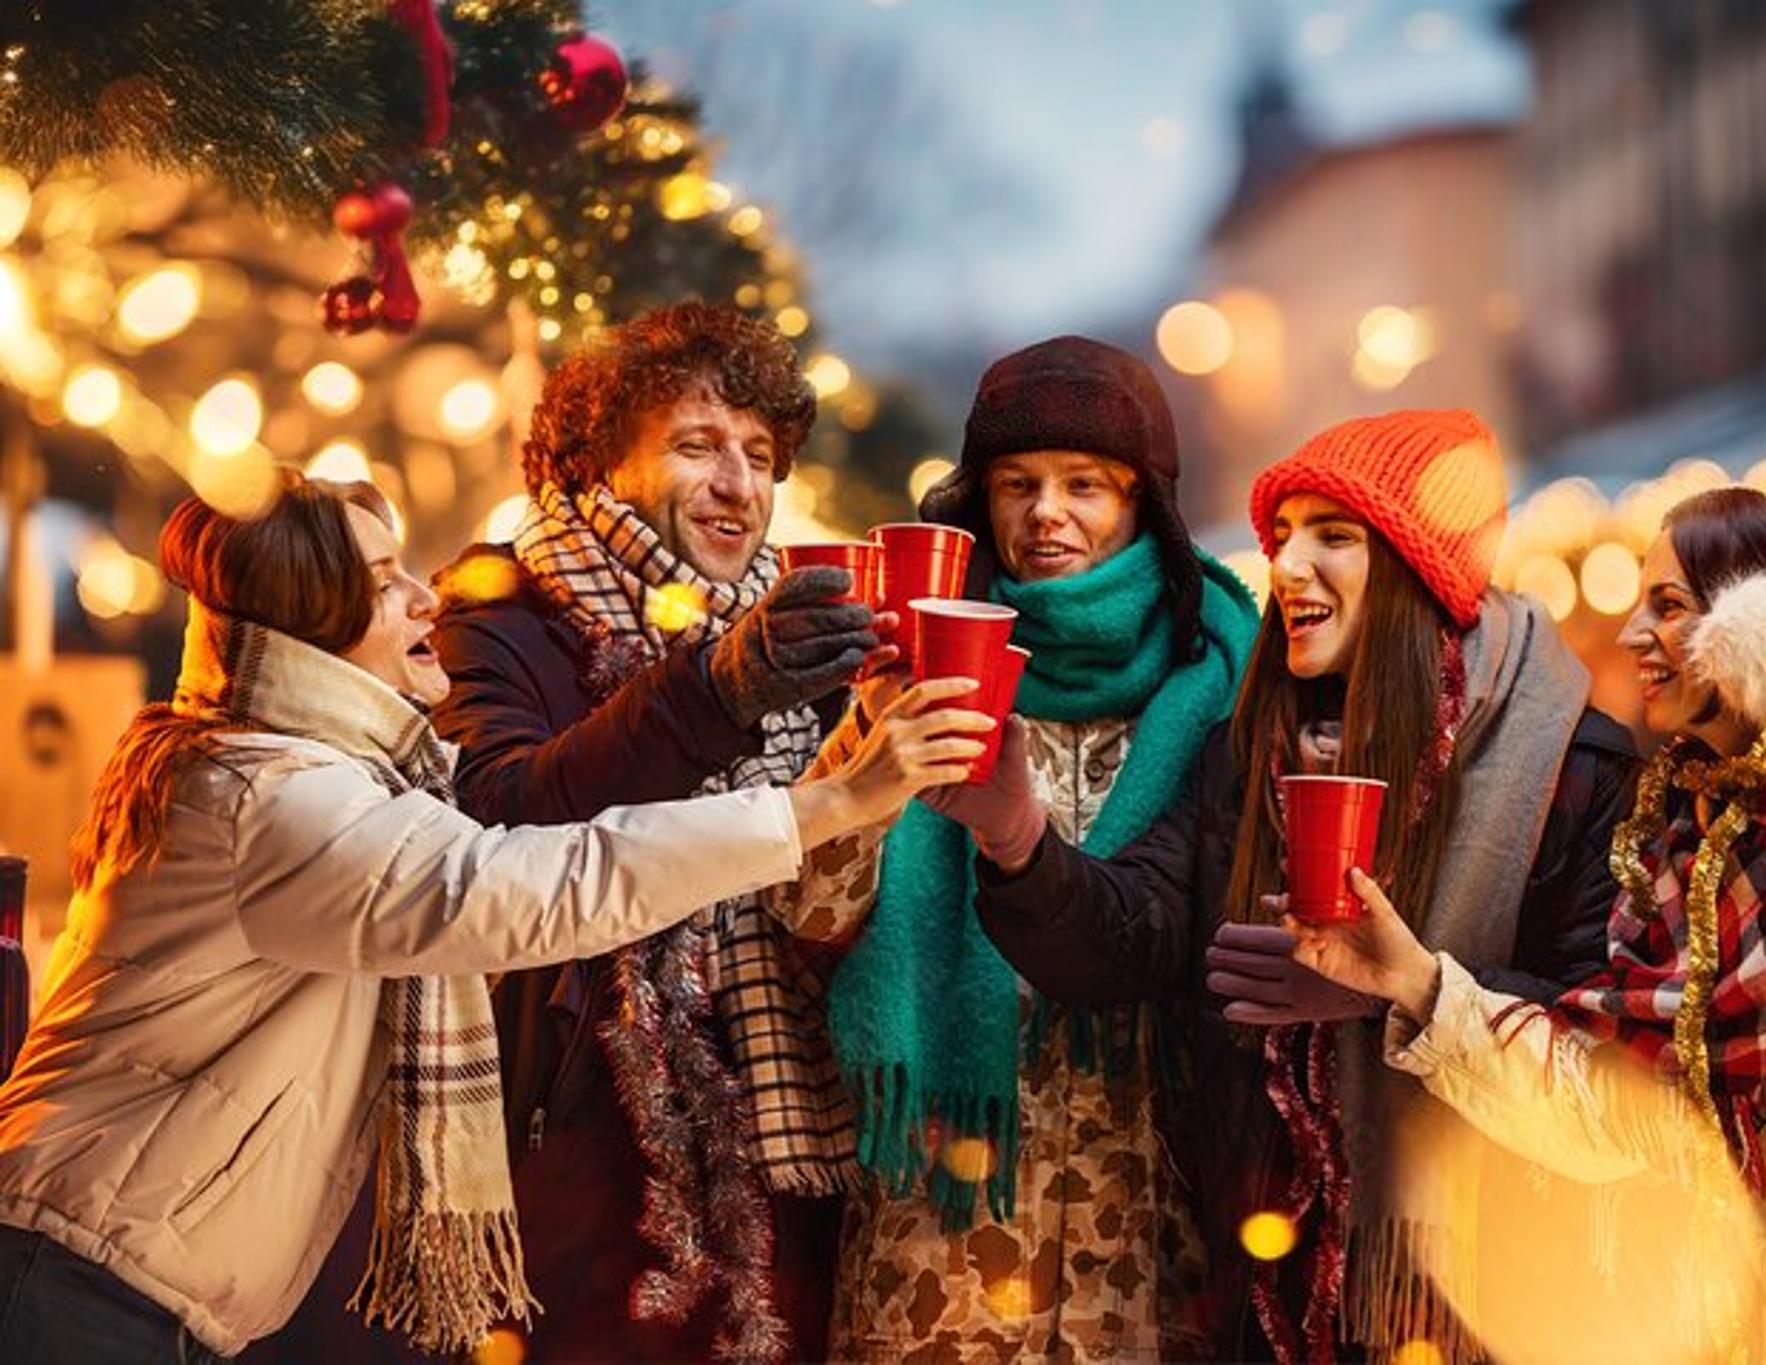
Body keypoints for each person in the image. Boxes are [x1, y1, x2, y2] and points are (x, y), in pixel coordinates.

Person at [0, 475, 985, 1364]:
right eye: (385, 584)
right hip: (79, 1295)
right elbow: (519, 885)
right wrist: (826, 807)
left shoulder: (302, 769)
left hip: (117, 1290)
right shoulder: (271, 797)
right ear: (313, 627)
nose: (425, 596)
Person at [1290, 488, 1766, 1364]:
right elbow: (1620, 1109)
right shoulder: (1684, 850)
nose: (1630, 634)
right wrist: (1417, 982)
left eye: (1670, 605)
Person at [952, 409, 1642, 1360]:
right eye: (1281, 537)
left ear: (1414, 568)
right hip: (1266, 1271)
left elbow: (1610, 1056)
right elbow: (1138, 935)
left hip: (1479, 1292)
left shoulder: (1572, 767)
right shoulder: (1250, 749)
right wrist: (1018, 842)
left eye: (1335, 537)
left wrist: (1398, 996)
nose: (1286, 566)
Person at [781, 335, 1262, 1361]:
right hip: (944, 1226)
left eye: (1083, 485)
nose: (1045, 514)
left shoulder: (1221, 681)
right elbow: (810, 911)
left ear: (1144, 505)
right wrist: (873, 736)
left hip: (1145, 1219)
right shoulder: (919, 665)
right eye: (1016, 484)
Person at [421, 302, 882, 1361]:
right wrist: (713, 691)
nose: (739, 485)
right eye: (695, 446)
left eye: (760, 456)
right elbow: (500, 816)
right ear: (596, 463)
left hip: (785, 1139)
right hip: (584, 1141)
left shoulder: (798, 633)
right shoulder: (499, 609)